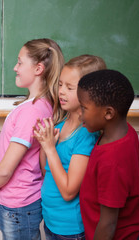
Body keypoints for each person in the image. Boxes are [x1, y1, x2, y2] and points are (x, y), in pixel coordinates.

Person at [0, 38, 65, 240]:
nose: (15, 67)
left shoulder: (31, 111)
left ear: (38, 69)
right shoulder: (40, 105)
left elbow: (7, 168)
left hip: (18, 205)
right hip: (22, 203)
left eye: (20, 62)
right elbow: (17, 155)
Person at [33, 55, 106, 239]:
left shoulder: (86, 135)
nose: (62, 92)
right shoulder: (59, 126)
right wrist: (45, 143)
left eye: (69, 87)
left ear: (90, 93)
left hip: (70, 229)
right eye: (60, 85)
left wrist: (50, 148)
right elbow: (45, 171)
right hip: (51, 222)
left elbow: (68, 191)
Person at [77, 69, 139, 240]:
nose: (80, 115)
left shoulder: (112, 160)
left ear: (108, 113)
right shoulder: (127, 132)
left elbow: (108, 223)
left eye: (84, 108)